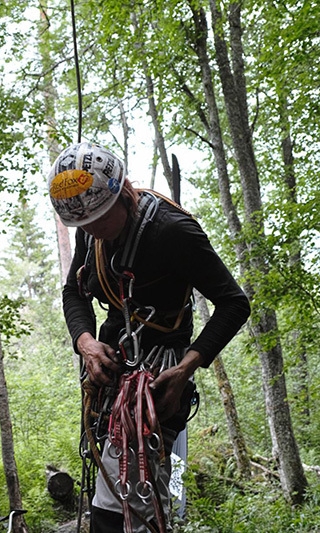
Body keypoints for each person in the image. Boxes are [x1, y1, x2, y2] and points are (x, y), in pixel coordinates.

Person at [48, 142, 250, 532]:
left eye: (100, 220)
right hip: (113, 363)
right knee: (114, 491)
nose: (91, 232)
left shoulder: (172, 232)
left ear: (122, 192)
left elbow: (233, 303)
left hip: (160, 374)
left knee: (130, 499)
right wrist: (86, 342)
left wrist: (188, 368)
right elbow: (74, 290)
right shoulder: (90, 228)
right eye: (83, 226)